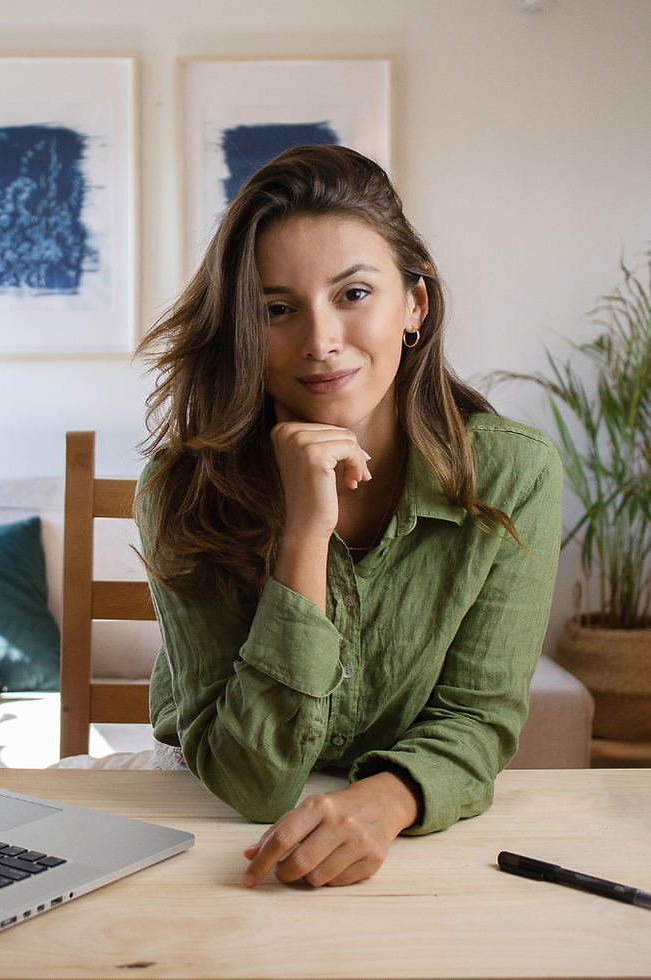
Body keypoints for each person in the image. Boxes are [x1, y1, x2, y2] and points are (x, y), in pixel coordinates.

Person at [134, 145, 562, 890]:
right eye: (277, 309)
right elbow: (252, 782)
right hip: (210, 837)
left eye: (353, 294)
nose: (321, 341)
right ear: (243, 327)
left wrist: (384, 803)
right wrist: (304, 533)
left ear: (415, 306)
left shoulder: (512, 475)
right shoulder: (181, 490)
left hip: (416, 842)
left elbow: (477, 719)